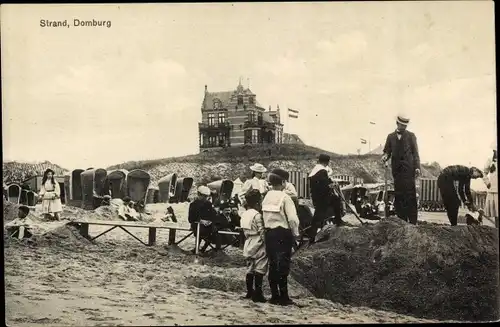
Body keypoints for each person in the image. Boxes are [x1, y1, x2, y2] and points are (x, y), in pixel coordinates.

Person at [262, 172, 300, 306]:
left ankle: (274, 296)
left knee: (272, 264)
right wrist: (296, 233)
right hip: (283, 233)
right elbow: (292, 219)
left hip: (269, 233)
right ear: (283, 182)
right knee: (283, 264)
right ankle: (284, 297)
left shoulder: (266, 197)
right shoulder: (285, 198)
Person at [381, 114, 421, 224]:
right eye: (402, 125)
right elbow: (387, 151)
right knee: (399, 195)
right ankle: (401, 221)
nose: (404, 128)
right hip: (397, 171)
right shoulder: (390, 137)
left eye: (405, 126)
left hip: (409, 170)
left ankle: (413, 222)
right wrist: (385, 157)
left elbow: (416, 153)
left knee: (410, 195)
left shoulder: (411, 136)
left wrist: (417, 167)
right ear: (397, 124)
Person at [308, 154, 344, 243]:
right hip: (323, 197)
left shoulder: (315, 170)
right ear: (327, 162)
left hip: (317, 196)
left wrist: (329, 182)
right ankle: (338, 221)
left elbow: (321, 183)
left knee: (334, 200)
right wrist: (330, 185)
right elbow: (324, 185)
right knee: (319, 216)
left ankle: (312, 236)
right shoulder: (322, 171)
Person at [240, 189, 267, 303]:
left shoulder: (244, 214)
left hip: (248, 241)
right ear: (258, 202)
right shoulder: (257, 215)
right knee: (260, 267)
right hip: (258, 242)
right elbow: (261, 231)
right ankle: (258, 293)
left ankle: (249, 291)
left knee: (249, 268)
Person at [188, 185, 219, 253]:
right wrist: (201, 221)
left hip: (207, 225)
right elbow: (191, 218)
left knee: (215, 229)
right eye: (204, 196)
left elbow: (212, 215)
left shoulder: (208, 204)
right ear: (199, 194)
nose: (205, 198)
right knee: (202, 230)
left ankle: (204, 249)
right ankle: (196, 248)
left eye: (207, 196)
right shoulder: (193, 204)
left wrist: (210, 221)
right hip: (196, 224)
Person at [482, 141, 498, 228]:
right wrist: (487, 182)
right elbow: (484, 172)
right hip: (493, 190)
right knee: (496, 214)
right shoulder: (490, 160)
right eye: (494, 151)